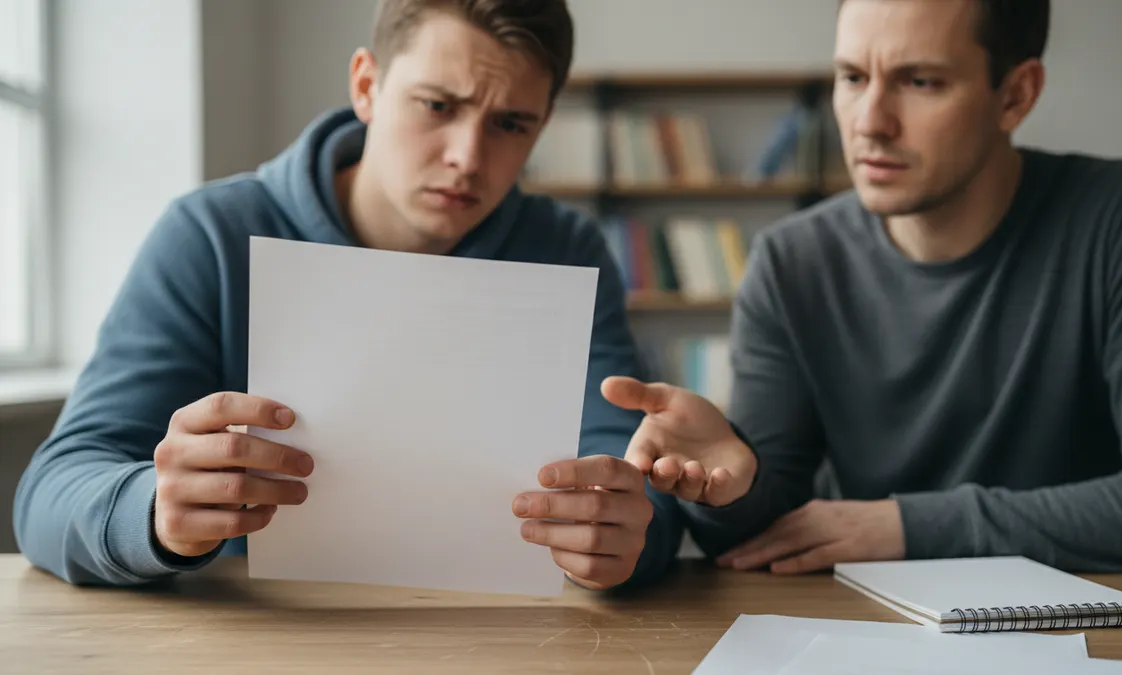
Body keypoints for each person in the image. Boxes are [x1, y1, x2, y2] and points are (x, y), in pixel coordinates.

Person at [13, 0, 684, 591]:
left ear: (543, 125)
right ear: (367, 85)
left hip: (504, 634)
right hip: (265, 633)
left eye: (510, 124)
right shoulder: (210, 235)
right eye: (438, 106)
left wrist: (624, 538)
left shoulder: (568, 250)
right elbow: (50, 493)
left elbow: (634, 484)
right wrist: (155, 512)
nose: (468, 157)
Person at [602, 0, 1122, 575]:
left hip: (1101, 629)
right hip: (868, 627)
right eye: (853, 76)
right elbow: (767, 536)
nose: (870, 122)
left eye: (920, 82)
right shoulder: (791, 262)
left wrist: (909, 526)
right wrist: (731, 484)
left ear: (1015, 95)